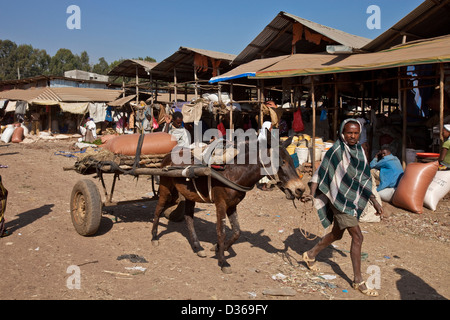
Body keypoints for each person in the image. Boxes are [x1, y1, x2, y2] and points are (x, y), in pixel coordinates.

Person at [301, 118, 383, 297]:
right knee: (358, 236)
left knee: (337, 234)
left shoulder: (360, 151)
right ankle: (358, 281)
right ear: (342, 133)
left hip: (352, 199)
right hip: (338, 199)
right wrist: (311, 193)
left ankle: (310, 253)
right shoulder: (336, 151)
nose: (352, 136)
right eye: (349, 133)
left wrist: (374, 200)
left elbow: (363, 177)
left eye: (355, 133)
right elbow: (320, 173)